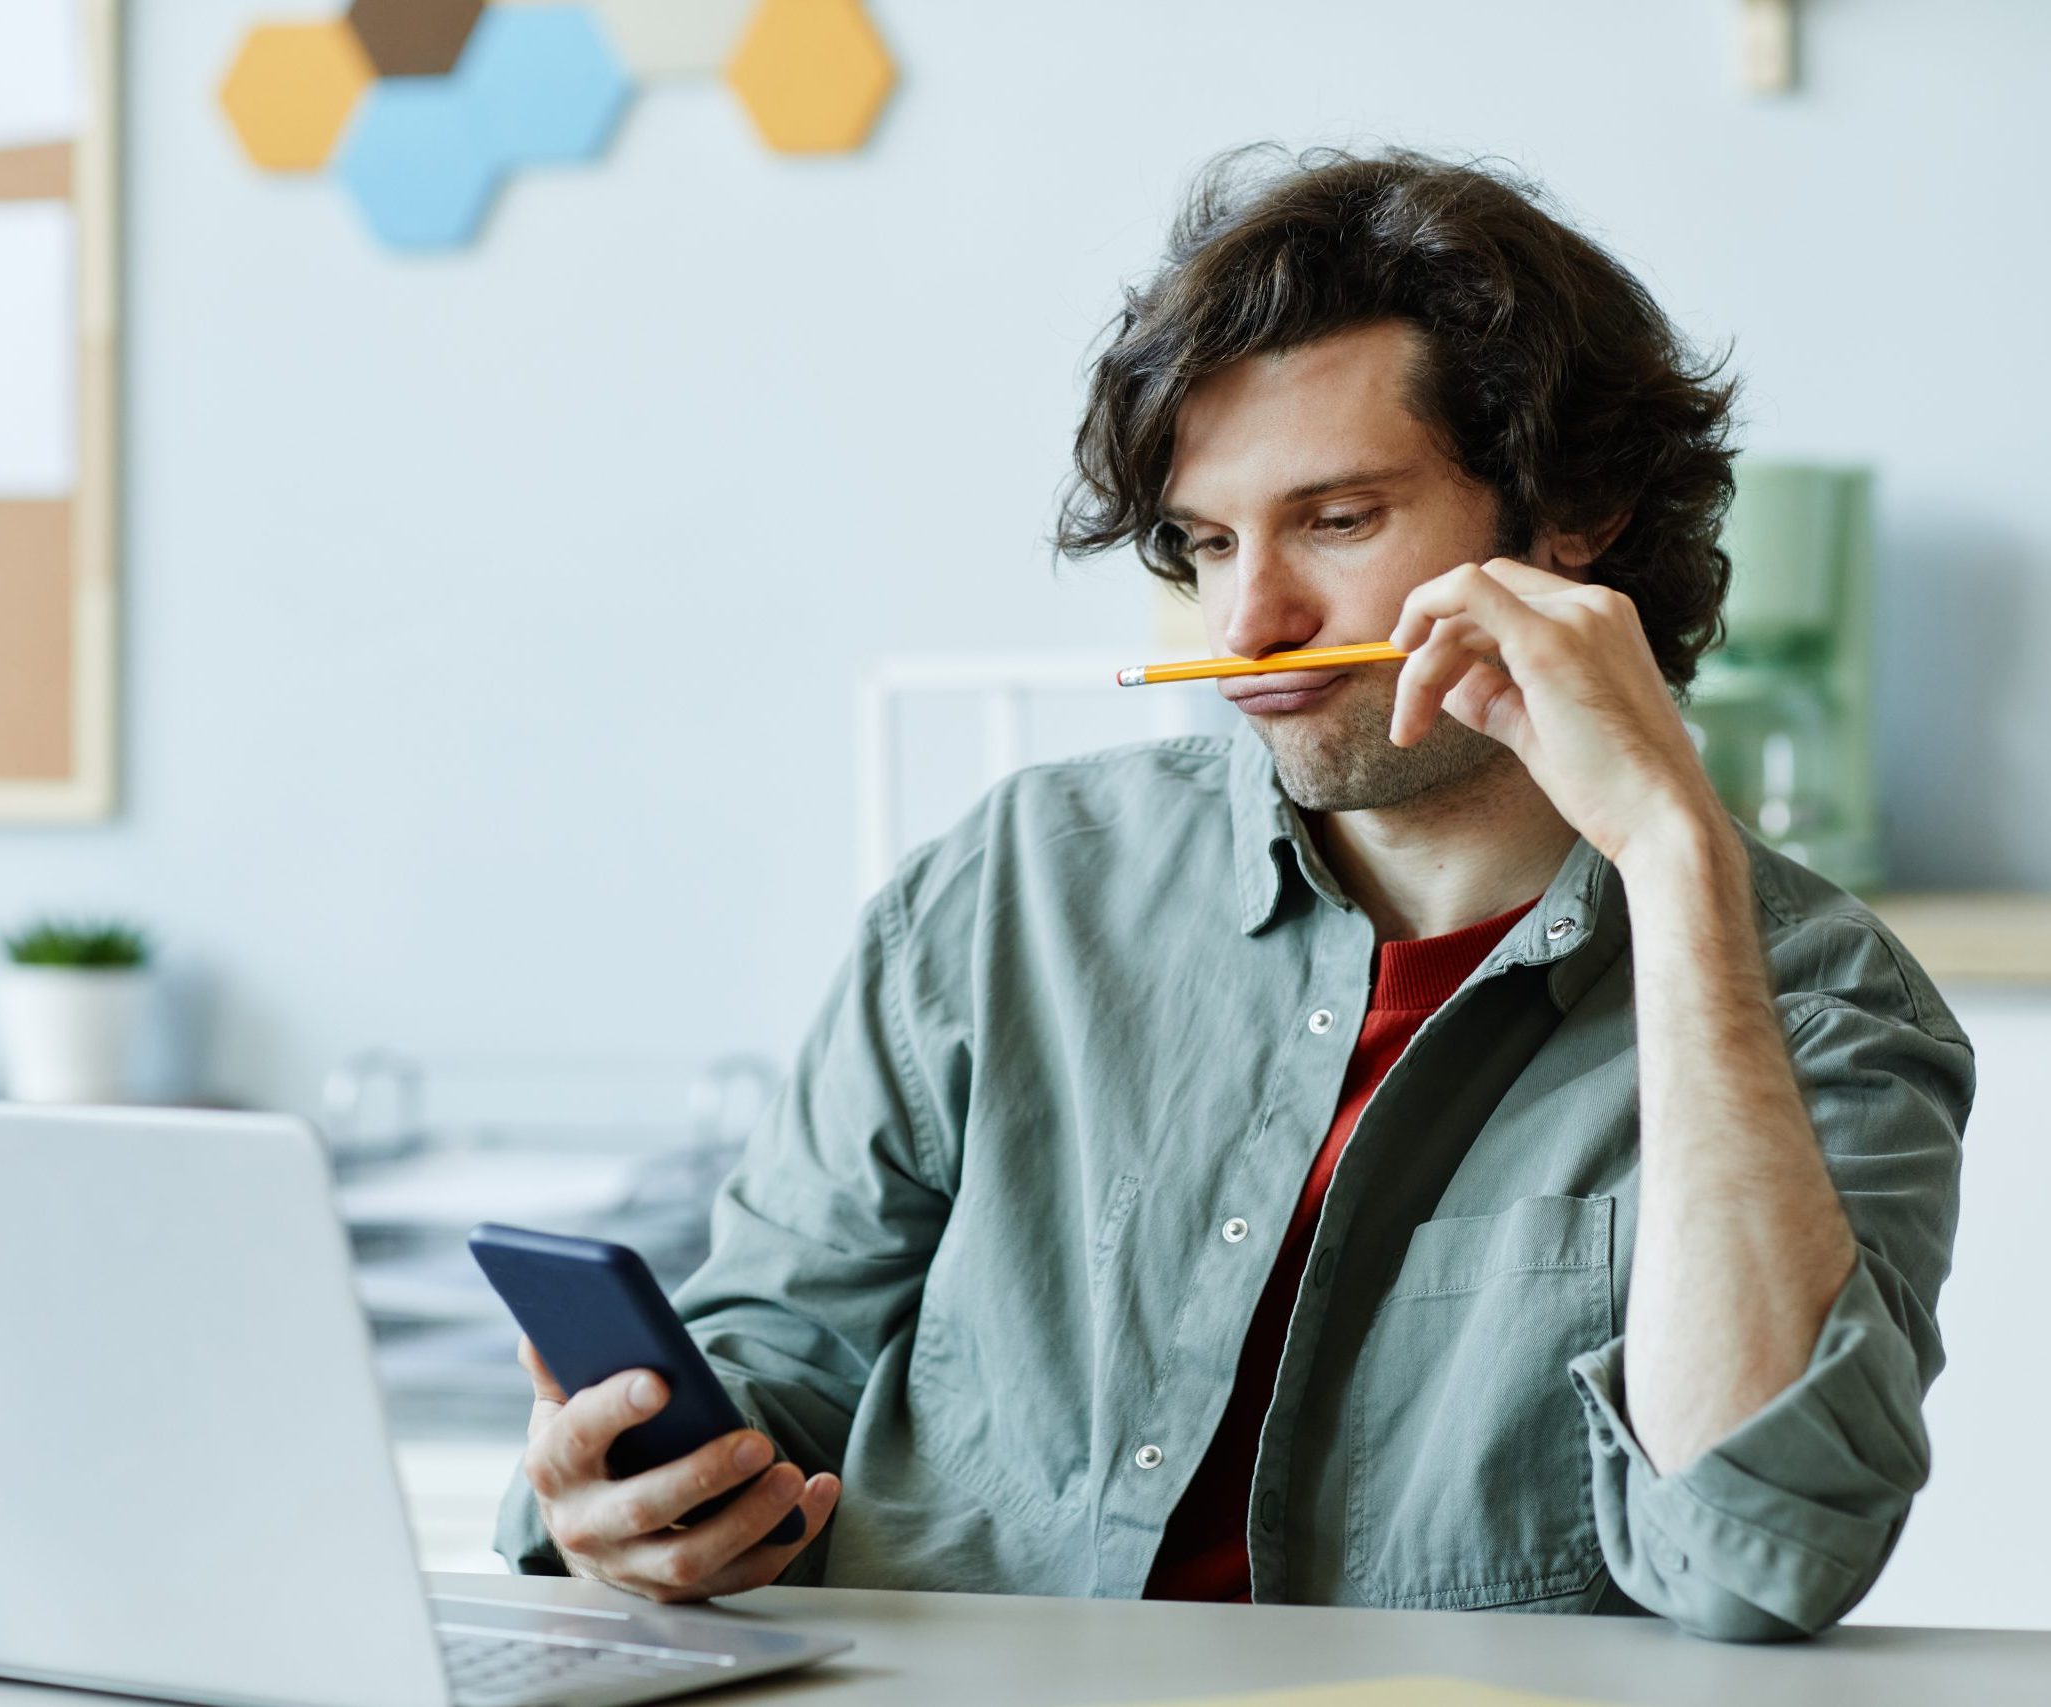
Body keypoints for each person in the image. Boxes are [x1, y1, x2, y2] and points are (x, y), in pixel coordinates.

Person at [495, 147, 1971, 1641]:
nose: (1249, 625)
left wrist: (1674, 862)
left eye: (1336, 522)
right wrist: (631, 1492)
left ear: (1572, 511)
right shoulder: (1019, 883)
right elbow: (779, 1350)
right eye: (1207, 543)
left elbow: (1756, 1557)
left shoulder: (1820, 999)